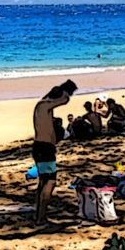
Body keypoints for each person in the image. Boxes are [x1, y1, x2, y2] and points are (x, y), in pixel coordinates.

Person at [31, 80, 77, 225]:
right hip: (45, 148)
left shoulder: (43, 107)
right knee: (50, 182)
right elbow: (64, 100)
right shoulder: (44, 106)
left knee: (43, 181)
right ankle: (41, 217)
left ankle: (39, 213)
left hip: (41, 147)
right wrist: (65, 91)